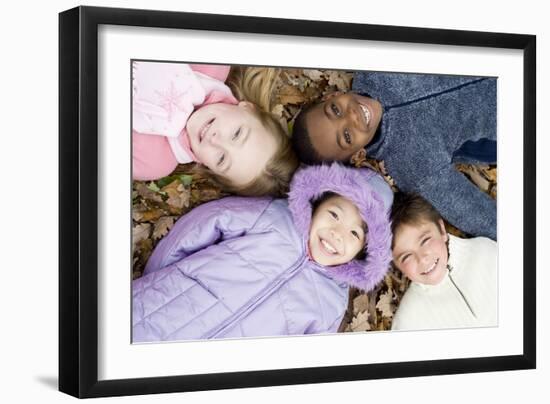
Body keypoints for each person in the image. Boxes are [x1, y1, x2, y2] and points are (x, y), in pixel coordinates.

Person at [132, 163, 393, 342]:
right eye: (335, 214)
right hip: (164, 310)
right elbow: (210, 221)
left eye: (354, 234)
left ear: (363, 251)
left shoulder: (332, 304)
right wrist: (161, 278)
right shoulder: (276, 218)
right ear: (317, 205)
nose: (337, 233)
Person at [291, 71, 497, 239]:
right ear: (357, 155)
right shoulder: (414, 166)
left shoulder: (375, 66)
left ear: (331, 96)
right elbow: (480, 216)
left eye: (335, 110)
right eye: (346, 136)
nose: (351, 116)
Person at [133, 62, 298, 196]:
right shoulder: (210, 64)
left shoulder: (154, 162)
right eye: (236, 134)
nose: (216, 140)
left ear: (208, 168)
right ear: (248, 107)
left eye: (221, 159)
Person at [389, 192, 497, 331]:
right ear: (397, 265)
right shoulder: (408, 322)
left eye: (425, 240)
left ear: (441, 230)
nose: (422, 258)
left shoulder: (484, 251)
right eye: (406, 256)